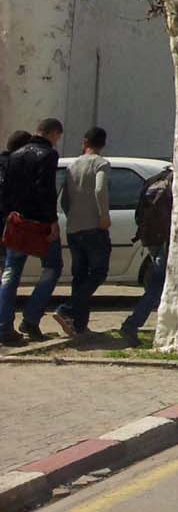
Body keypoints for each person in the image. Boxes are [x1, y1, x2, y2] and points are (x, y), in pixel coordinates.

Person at [0, 119, 65, 345]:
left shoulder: (15, 155)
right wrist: (52, 221)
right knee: (52, 267)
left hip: (17, 223)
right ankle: (31, 317)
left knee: (10, 274)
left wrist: (10, 213)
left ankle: (4, 327)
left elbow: (6, 190)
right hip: (39, 225)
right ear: (54, 133)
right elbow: (45, 190)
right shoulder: (48, 154)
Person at [58, 126, 111, 337]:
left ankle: (78, 324)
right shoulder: (101, 163)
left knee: (79, 275)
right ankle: (68, 309)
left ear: (84, 142)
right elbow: (100, 189)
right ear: (103, 144)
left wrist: (72, 214)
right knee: (98, 272)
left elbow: (64, 199)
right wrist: (103, 215)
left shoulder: (72, 166)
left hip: (74, 227)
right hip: (93, 227)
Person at [119, 165, 173, 343]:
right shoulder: (175, 183)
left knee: (161, 285)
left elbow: (138, 215)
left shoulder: (154, 180)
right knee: (157, 286)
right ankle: (131, 325)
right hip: (166, 241)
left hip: (151, 240)